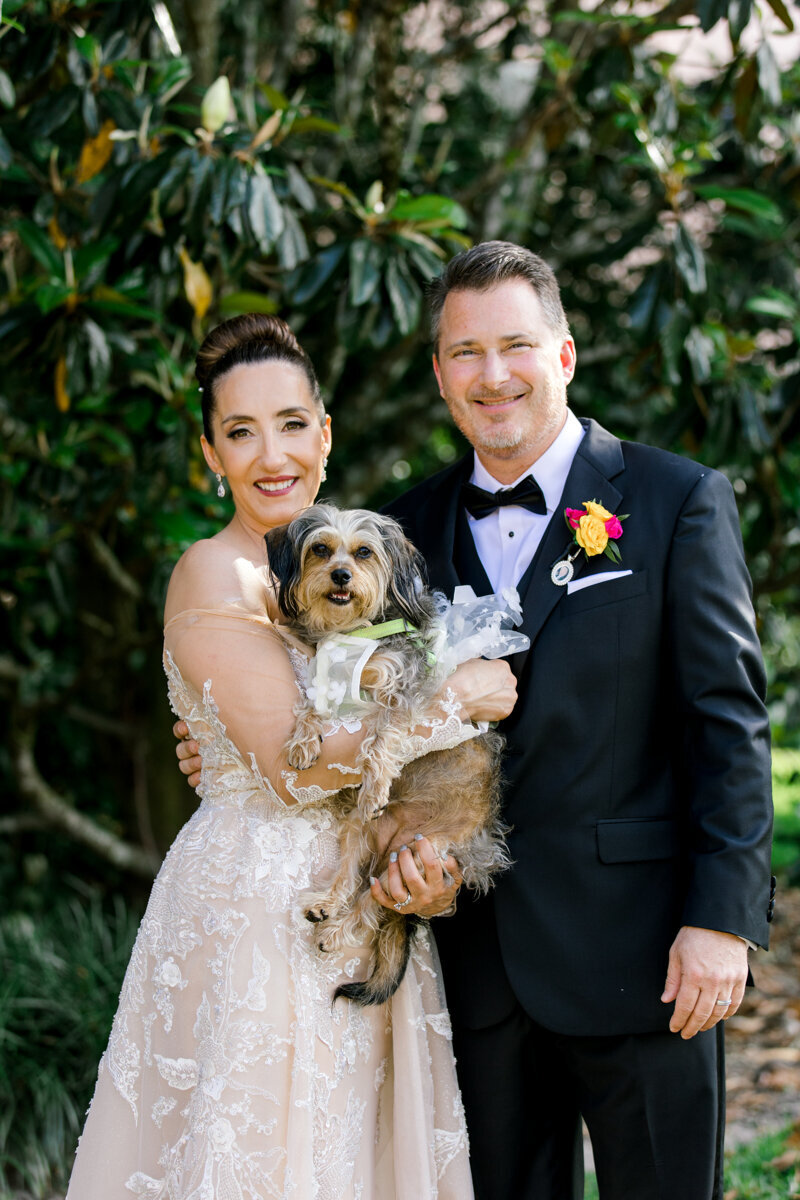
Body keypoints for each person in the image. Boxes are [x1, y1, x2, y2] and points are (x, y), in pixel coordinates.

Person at [174, 246, 775, 1200]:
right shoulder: (406, 528)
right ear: (441, 375)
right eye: (465, 353)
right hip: (468, 969)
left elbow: (727, 724)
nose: (492, 376)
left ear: (564, 356)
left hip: (643, 957)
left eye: (515, 347)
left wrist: (721, 923)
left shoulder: (673, 501)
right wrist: (223, 743)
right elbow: (332, 703)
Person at [66, 313, 516, 1200]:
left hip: (358, 897)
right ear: (210, 453)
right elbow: (295, 772)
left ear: (325, 432)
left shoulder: (337, 570)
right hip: (260, 910)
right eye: (241, 432)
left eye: (291, 424)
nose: (272, 454)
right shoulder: (214, 572)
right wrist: (450, 700)